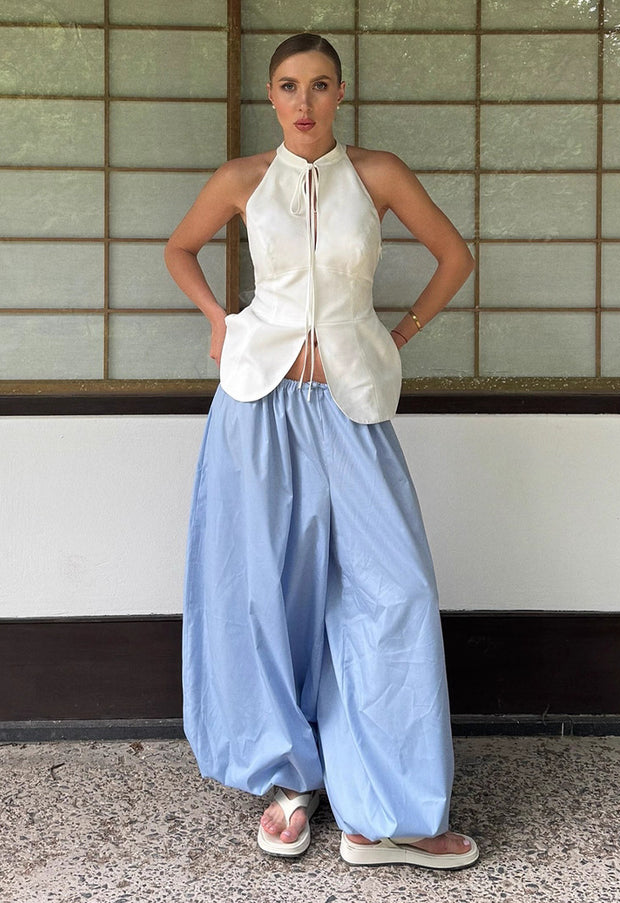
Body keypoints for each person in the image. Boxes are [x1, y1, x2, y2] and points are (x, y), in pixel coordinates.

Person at [164, 33, 478, 870]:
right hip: (256, 407)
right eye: (288, 85)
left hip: (350, 405)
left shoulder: (376, 174)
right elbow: (177, 249)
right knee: (264, 593)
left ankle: (388, 813)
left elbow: (455, 258)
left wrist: (398, 333)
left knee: (393, 588)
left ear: (341, 94)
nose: (303, 100)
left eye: (319, 85)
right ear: (271, 97)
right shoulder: (241, 180)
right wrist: (219, 322)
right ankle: (290, 779)